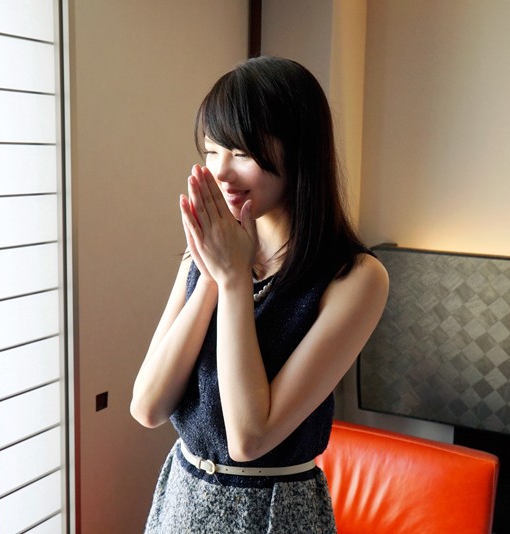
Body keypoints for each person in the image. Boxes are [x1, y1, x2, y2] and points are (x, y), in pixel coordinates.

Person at [130, 56, 389, 533]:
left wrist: (232, 281)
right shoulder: (209, 252)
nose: (221, 172)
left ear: (299, 152)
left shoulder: (356, 278)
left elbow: (249, 439)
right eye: (211, 151)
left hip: (275, 511)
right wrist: (214, 274)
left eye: (241, 152)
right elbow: (148, 406)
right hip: (183, 498)